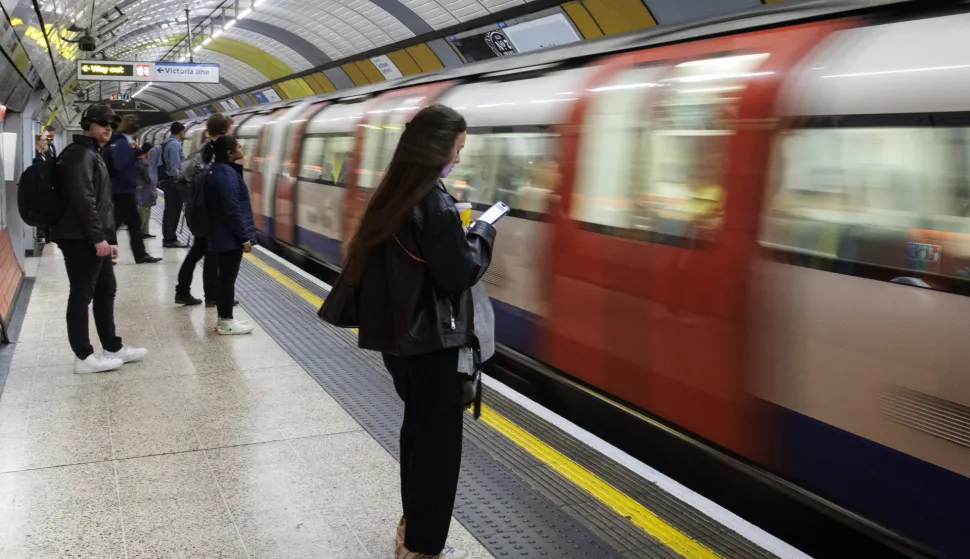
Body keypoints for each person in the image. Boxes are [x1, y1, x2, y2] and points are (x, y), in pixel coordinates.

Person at [345, 104, 496, 559]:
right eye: (457, 148)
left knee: (417, 434)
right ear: (438, 148)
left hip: (405, 341)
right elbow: (457, 272)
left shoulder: (394, 192)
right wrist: (483, 234)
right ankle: (422, 547)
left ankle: (411, 527)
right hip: (436, 343)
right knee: (438, 449)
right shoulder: (432, 200)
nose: (458, 158)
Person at [49, 104, 148, 374]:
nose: (108, 128)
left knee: (106, 288)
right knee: (82, 294)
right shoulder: (80, 155)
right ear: (88, 124)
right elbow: (84, 201)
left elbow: (103, 203)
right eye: (103, 123)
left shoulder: (94, 153)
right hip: (78, 237)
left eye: (112, 125)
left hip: (92, 236)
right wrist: (97, 238)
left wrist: (110, 238)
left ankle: (112, 347)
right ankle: (83, 356)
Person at [175, 113, 233, 306]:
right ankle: (211, 296)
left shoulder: (202, 150)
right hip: (208, 213)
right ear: (225, 130)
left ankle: (185, 292)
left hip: (199, 211)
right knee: (210, 254)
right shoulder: (216, 152)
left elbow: (183, 175)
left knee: (199, 252)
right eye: (231, 128)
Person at [204, 135, 255, 335]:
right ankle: (226, 321)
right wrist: (244, 238)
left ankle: (225, 319)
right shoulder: (226, 174)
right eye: (239, 146)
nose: (242, 148)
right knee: (227, 278)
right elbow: (232, 209)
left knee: (225, 277)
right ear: (230, 152)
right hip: (228, 235)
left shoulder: (218, 170)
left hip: (221, 232)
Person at [107, 115, 161, 264]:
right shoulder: (122, 143)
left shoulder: (117, 141)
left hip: (122, 189)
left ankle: (141, 254)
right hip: (122, 190)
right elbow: (121, 165)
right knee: (115, 223)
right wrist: (131, 179)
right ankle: (101, 253)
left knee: (134, 223)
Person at [160, 122, 188, 248]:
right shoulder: (174, 145)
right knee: (173, 211)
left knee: (169, 211)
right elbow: (175, 167)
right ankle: (170, 239)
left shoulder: (167, 142)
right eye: (183, 131)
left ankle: (168, 237)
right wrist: (182, 180)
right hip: (174, 182)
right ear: (181, 131)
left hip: (169, 181)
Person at [134, 143, 158, 239]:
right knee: (144, 211)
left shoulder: (138, 160)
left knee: (145, 210)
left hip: (141, 188)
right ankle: (140, 231)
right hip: (146, 188)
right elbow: (148, 177)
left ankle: (144, 231)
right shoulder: (145, 162)